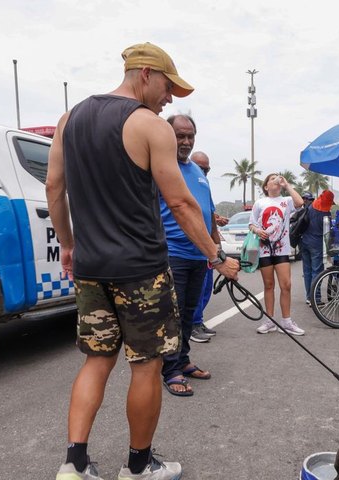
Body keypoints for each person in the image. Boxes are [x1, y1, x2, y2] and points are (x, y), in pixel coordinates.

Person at [46, 42, 238, 480]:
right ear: (147, 74)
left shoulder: (68, 119)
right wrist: (216, 257)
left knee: (96, 361)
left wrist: (70, 244)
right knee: (147, 365)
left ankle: (73, 466)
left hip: (92, 268)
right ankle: (137, 467)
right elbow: (181, 203)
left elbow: (54, 188)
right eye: (169, 87)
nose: (169, 98)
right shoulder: (149, 125)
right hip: (141, 272)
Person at [159, 117, 221, 397]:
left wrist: (216, 249)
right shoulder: (162, 167)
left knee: (188, 314)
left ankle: (182, 360)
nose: (185, 141)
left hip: (199, 256)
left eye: (190, 136)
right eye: (180, 136)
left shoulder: (197, 171)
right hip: (173, 253)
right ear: (168, 136)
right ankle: (170, 370)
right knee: (172, 314)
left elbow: (207, 213)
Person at [250, 173, 305, 334]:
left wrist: (287, 185)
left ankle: (286, 321)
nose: (276, 180)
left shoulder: (286, 201)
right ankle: (269, 321)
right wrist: (258, 230)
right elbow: (252, 224)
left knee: (286, 285)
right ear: (266, 186)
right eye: (272, 178)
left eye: (277, 178)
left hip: (282, 249)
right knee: (268, 285)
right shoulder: (260, 203)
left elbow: (300, 202)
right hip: (264, 250)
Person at [188, 151, 227, 343]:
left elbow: (208, 213)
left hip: (207, 249)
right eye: (200, 168)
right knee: (193, 292)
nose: (204, 171)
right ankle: (192, 325)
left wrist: (217, 249)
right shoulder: (183, 180)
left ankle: (198, 320)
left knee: (206, 287)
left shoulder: (204, 185)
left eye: (207, 169)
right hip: (189, 248)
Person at [300, 190, 334, 306]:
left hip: (304, 242)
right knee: (317, 271)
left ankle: (309, 297)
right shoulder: (326, 214)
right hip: (316, 244)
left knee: (307, 271)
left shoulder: (310, 207)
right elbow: (328, 233)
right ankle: (316, 298)